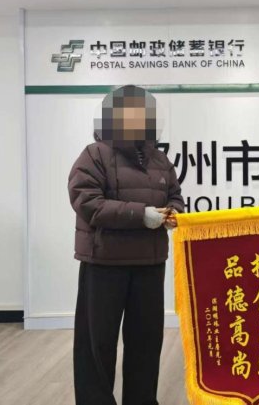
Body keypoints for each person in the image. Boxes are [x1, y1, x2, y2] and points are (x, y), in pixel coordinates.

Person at [68, 85, 183, 405]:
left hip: (149, 263)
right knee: (97, 344)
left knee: (146, 341)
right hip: (104, 262)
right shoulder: (94, 154)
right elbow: (87, 202)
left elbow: (175, 196)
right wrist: (140, 214)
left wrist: (173, 213)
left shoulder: (159, 159)